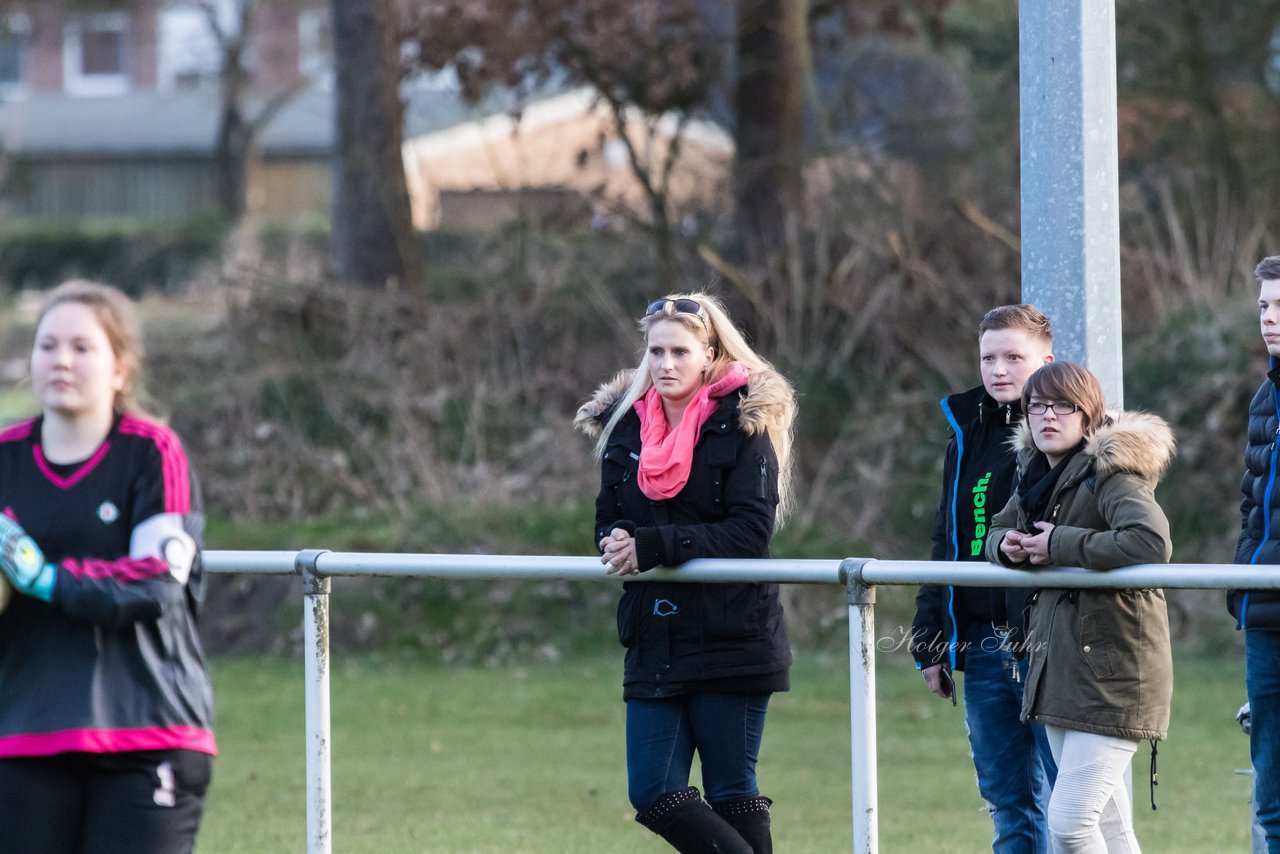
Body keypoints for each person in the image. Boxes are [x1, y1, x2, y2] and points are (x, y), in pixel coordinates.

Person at [574, 292, 796, 853]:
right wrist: (617, 540)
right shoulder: (624, 427)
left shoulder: (747, 424)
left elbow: (750, 535)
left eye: (679, 351)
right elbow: (607, 520)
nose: (666, 364)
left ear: (710, 354)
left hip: (733, 632)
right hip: (655, 635)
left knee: (731, 793)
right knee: (653, 792)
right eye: (656, 352)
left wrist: (653, 544)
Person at [0, 280, 215, 853]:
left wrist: (48, 579)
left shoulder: (152, 452)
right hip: (24, 737)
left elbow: (157, 580)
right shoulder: (5, 458)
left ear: (121, 369)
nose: (61, 360)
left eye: (82, 346)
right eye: (47, 346)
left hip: (146, 735)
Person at [986, 361, 1174, 853]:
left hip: (1112, 674)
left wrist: (1059, 546)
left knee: (1068, 824)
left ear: (1088, 416)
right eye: (1038, 406)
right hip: (1060, 668)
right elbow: (997, 529)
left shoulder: (1111, 472)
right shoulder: (1036, 472)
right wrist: (1007, 546)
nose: (1049, 416)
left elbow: (1150, 542)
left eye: (1063, 406)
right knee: (1110, 829)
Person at [910, 304, 1058, 853]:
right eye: (988, 357)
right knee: (1009, 806)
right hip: (982, 641)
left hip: (1050, 641)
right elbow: (946, 540)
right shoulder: (966, 428)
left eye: (1013, 357)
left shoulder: (1070, 430)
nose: (999, 369)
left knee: (1071, 806)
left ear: (1046, 360)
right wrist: (930, 638)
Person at [1230, 254, 1280, 852]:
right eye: (1265, 305)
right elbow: (1251, 503)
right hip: (1265, 620)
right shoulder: (1266, 397)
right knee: (1271, 804)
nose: (1270, 318)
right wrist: (1243, 585)